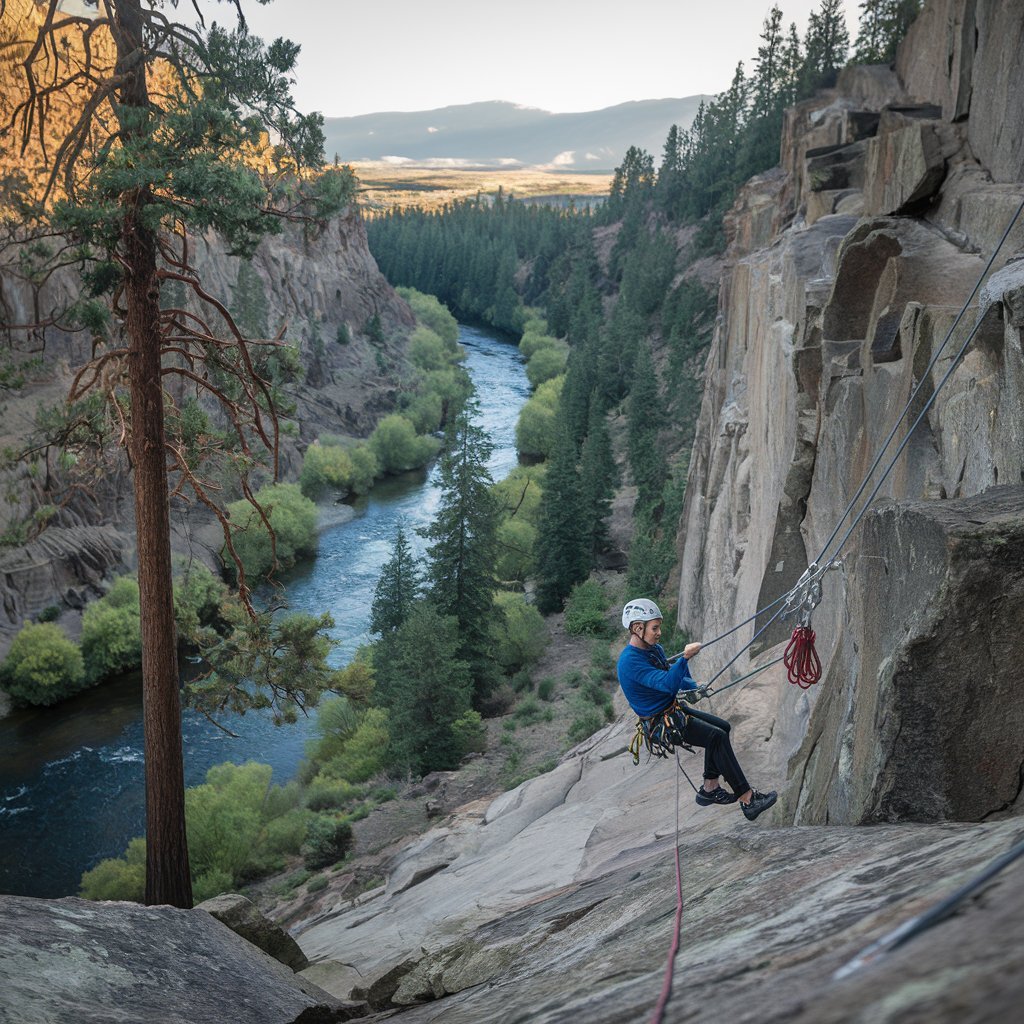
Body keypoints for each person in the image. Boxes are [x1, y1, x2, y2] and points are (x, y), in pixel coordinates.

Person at [617, 598, 777, 821]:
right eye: (655, 628)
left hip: (671, 711)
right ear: (637, 628)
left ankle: (709, 788)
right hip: (661, 723)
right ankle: (748, 799)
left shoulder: (654, 650)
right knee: (716, 736)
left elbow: (671, 673)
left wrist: (694, 686)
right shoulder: (629, 662)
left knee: (723, 727)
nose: (659, 632)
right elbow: (666, 684)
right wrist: (686, 658)